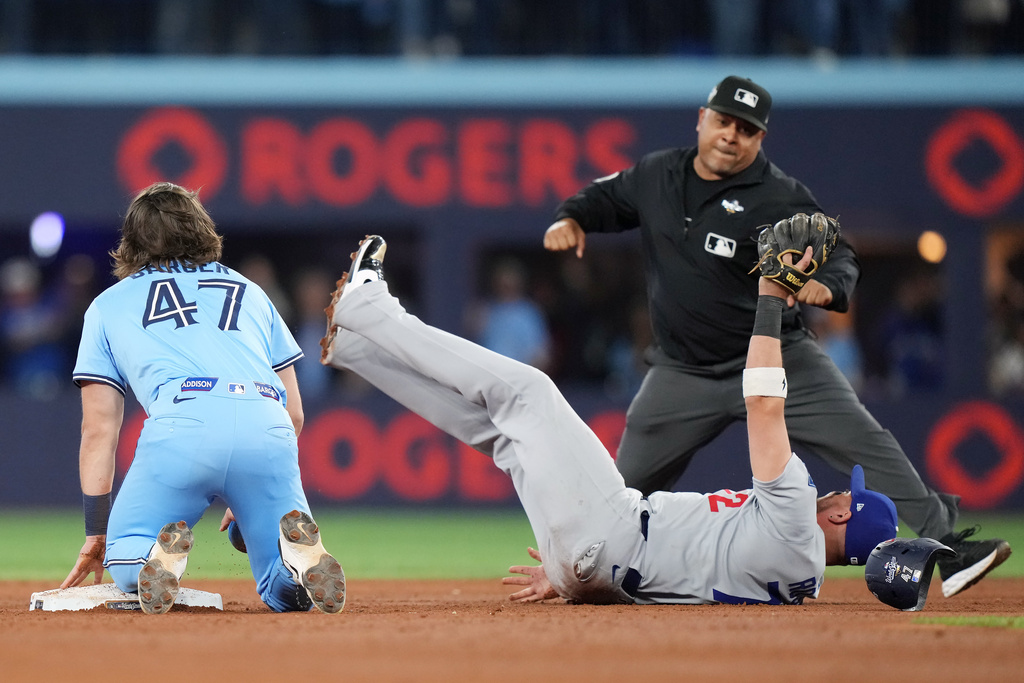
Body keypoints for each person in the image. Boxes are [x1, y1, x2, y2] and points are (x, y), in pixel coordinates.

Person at [541, 74, 1011, 598]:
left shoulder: (779, 196)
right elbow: (606, 196)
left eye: (747, 129)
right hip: (682, 372)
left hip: (777, 359)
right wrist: (572, 217)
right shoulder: (657, 175)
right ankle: (571, 567)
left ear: (760, 139)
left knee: (867, 442)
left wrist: (826, 286)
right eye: (723, 121)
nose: (731, 135)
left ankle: (950, 545)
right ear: (702, 119)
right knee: (619, 491)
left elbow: (842, 253)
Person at [319, 235, 898, 605]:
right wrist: (571, 572)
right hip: (603, 575)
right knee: (506, 437)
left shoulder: (796, 509)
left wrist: (771, 299)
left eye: (842, 497)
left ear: (843, 512)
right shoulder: (804, 584)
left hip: (617, 529)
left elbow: (765, 403)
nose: (831, 493)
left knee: (531, 393)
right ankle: (357, 349)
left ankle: (370, 310)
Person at [60, 182, 345, 615]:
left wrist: (97, 533)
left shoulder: (107, 305)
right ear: (201, 228)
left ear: (131, 240)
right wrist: (247, 486)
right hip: (267, 423)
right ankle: (294, 573)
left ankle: (148, 562)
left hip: (184, 424)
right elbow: (295, 411)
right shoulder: (251, 292)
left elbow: (99, 428)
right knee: (278, 577)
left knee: (127, 554)